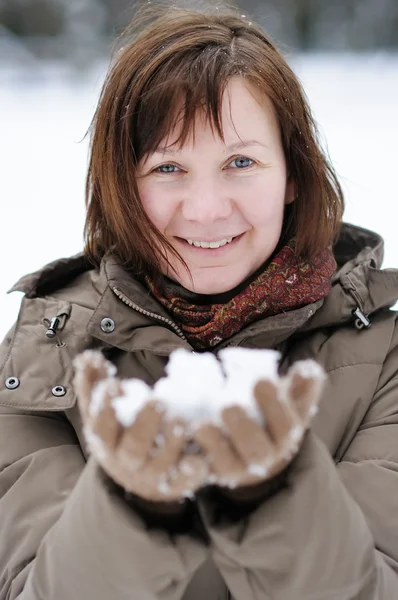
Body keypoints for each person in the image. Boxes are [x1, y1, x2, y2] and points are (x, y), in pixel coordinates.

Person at [1, 3, 398, 599]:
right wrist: (133, 508)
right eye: (167, 167)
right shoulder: (43, 362)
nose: (206, 209)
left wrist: (277, 497)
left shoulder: (383, 358)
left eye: (241, 162)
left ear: (293, 172)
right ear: (120, 184)